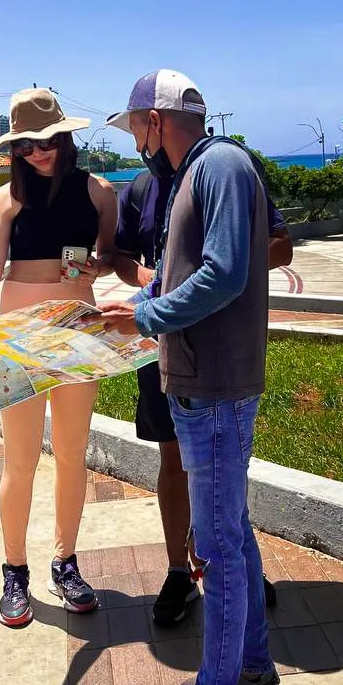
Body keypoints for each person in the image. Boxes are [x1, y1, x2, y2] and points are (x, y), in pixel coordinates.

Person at [102, 70, 283, 685]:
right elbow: (186, 274)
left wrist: (146, 319)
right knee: (232, 531)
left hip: (214, 390)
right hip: (199, 382)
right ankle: (254, 678)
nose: (134, 140)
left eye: (135, 127)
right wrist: (135, 300)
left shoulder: (222, 167)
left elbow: (229, 270)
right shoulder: (192, 175)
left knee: (214, 551)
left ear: (156, 120)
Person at [0, 88, 117, 628]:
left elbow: (108, 257)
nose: (38, 150)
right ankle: (14, 571)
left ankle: (66, 560)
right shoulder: (6, 199)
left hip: (77, 331)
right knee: (20, 458)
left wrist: (94, 270)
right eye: (26, 144)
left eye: (48, 139)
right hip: (18, 336)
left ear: (65, 135)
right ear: (15, 148)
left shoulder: (100, 192)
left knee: (74, 452)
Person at [112, 145, 292, 627]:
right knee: (172, 456)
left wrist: (211, 274)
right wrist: (157, 281)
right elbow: (122, 259)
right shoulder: (142, 187)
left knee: (221, 468)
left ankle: (230, 567)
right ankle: (180, 569)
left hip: (213, 343)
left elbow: (280, 245)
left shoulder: (223, 173)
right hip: (157, 335)